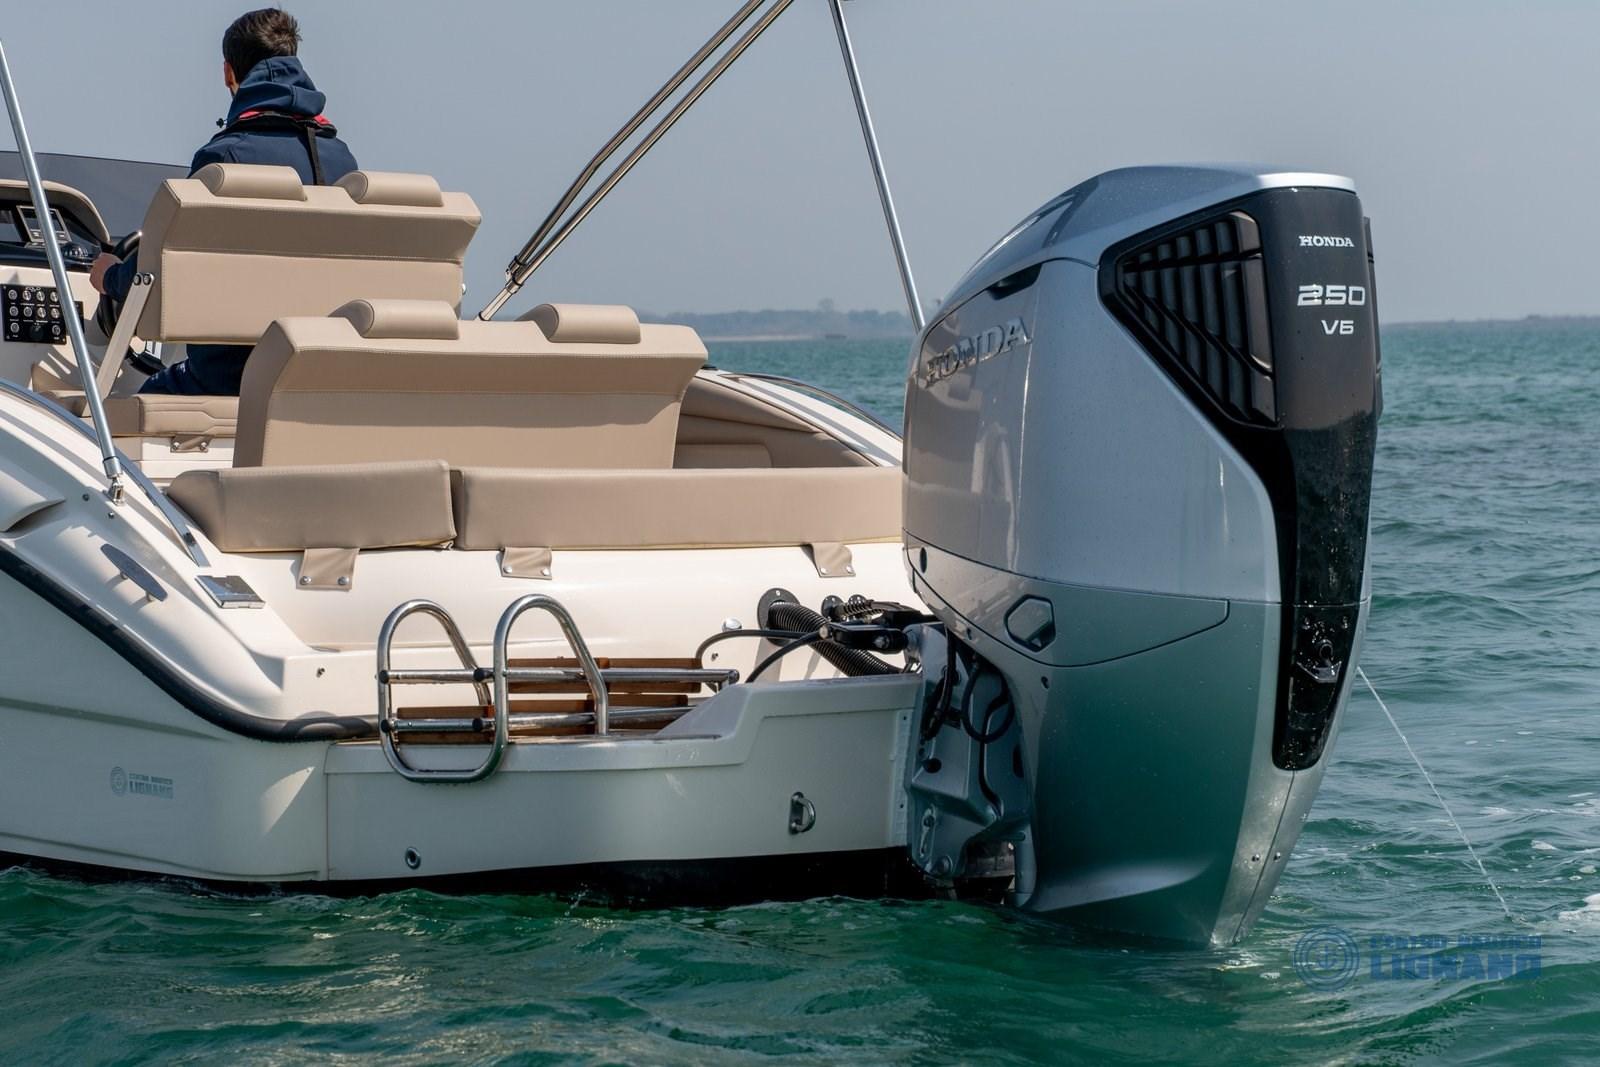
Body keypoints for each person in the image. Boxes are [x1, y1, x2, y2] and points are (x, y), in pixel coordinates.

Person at [90, 8, 358, 396]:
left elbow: (162, 265)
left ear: (228, 73)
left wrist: (110, 277)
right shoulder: (342, 161)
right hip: (313, 376)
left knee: (122, 411)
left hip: (226, 378)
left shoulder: (224, 160)